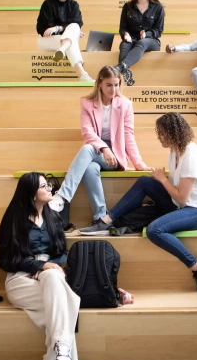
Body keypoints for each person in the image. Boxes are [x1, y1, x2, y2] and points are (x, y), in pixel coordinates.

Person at [93, 112, 197, 291]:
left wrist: (163, 179)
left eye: (162, 133)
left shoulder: (192, 155)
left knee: (154, 230)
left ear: (174, 132)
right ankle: (107, 220)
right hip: (183, 206)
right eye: (158, 132)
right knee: (145, 182)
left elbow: (182, 198)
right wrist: (160, 180)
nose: (159, 137)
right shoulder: (174, 152)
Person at [0, 172, 79, 360]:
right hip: (21, 279)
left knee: (53, 281)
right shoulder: (14, 219)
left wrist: (49, 268)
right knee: (66, 303)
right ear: (32, 193)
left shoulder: (53, 217)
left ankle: (60, 349)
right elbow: (7, 259)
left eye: (48, 184)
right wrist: (38, 266)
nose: (50, 188)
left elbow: (62, 251)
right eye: (44, 186)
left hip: (50, 279)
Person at [49, 66, 149, 234]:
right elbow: (87, 132)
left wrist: (139, 164)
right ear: (99, 84)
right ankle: (101, 218)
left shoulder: (125, 105)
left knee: (88, 149)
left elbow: (129, 135)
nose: (114, 89)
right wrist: (103, 148)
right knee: (89, 166)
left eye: (117, 85)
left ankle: (63, 196)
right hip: (96, 154)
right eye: (109, 85)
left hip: (114, 158)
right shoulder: (87, 104)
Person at [36, 0, 93, 82]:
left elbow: (77, 23)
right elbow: (43, 29)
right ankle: (83, 75)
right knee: (72, 40)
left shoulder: (74, 5)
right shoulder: (48, 4)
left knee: (74, 27)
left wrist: (58, 28)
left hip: (61, 42)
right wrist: (70, 33)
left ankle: (64, 51)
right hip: (46, 41)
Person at [114, 0, 165, 87]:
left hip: (151, 41)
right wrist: (125, 34)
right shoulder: (127, 7)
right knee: (124, 44)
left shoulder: (158, 7)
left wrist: (147, 34)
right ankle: (125, 73)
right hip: (132, 39)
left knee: (142, 42)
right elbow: (123, 27)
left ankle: (120, 68)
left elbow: (159, 31)